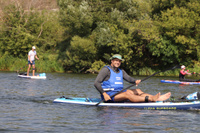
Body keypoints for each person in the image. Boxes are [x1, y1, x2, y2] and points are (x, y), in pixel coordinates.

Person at [94, 54, 171, 103]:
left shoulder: (121, 71)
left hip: (119, 92)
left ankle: (156, 98)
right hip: (109, 95)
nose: (118, 62)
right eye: (116, 61)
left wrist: (135, 81)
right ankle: (151, 99)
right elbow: (96, 83)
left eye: (119, 61)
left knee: (138, 90)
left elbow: (129, 79)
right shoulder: (106, 70)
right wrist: (104, 94)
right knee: (128, 94)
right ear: (112, 61)